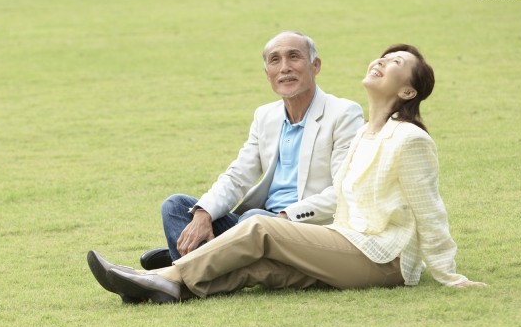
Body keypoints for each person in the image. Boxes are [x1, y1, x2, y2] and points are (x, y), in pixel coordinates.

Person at [88, 44, 486, 304]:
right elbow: (240, 173)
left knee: (261, 228)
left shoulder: (408, 139)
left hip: (385, 257)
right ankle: (165, 287)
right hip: (345, 242)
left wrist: (449, 274)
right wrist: (208, 211)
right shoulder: (366, 134)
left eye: (396, 63)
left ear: (408, 92)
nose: (381, 61)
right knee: (259, 268)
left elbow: (430, 211)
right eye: (382, 57)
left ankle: (163, 272)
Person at [138, 31, 364, 271]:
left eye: (294, 57)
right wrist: (203, 214)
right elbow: (238, 176)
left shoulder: (343, 113)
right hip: (256, 223)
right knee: (175, 206)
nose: (285, 67)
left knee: (254, 220)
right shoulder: (265, 115)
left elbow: (343, 191)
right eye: (275, 60)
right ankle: (200, 265)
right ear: (267, 74)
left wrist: (284, 217)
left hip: (303, 229)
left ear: (315, 65)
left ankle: (178, 270)